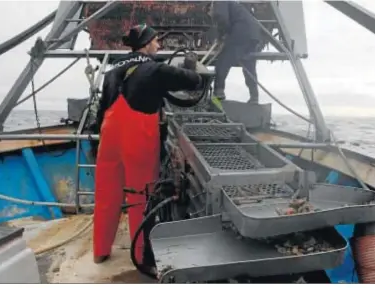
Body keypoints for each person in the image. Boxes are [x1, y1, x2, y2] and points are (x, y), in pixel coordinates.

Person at [92, 24, 207, 266]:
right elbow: (192, 81)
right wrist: (193, 69)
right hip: (138, 139)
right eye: (156, 41)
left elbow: (101, 112)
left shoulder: (112, 73)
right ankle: (141, 256)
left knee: (106, 196)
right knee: (142, 198)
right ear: (145, 44)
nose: (159, 45)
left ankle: (100, 251)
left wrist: (96, 144)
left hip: (109, 139)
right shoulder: (154, 69)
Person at [209, 1, 264, 104]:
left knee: (223, 60)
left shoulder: (219, 2)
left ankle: (219, 92)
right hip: (254, 34)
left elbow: (222, 17)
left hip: (241, 31)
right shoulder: (235, 6)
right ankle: (254, 97)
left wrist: (221, 36)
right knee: (249, 66)